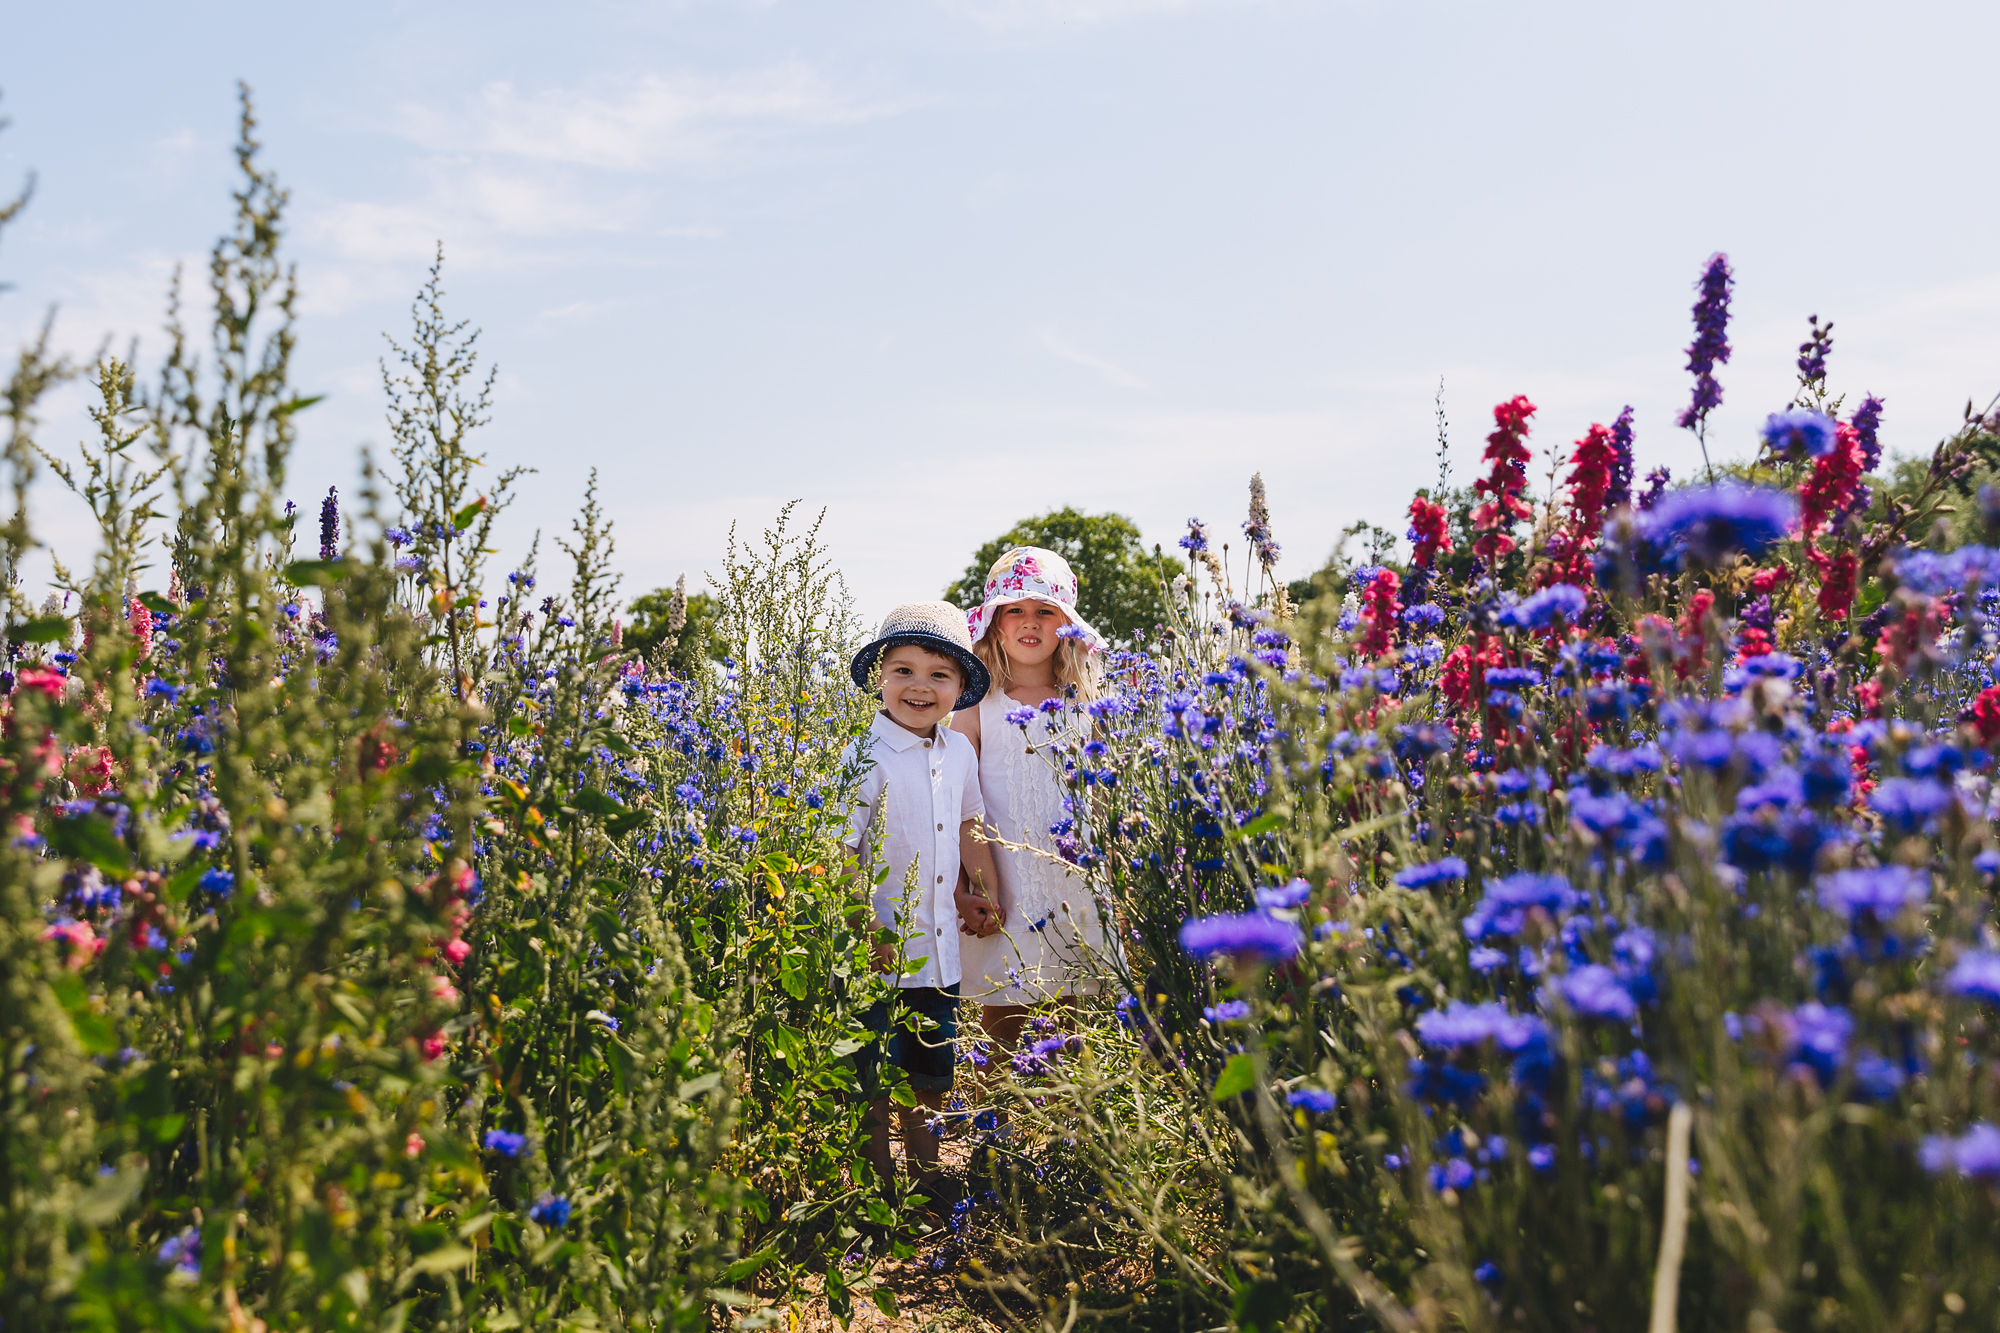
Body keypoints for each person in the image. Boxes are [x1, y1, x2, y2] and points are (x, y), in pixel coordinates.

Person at [841, 601, 1005, 1208]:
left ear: (962, 688)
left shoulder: (958, 752)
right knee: (874, 1076)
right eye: (903, 670)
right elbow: (838, 851)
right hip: (878, 953)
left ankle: (927, 1177)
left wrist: (979, 890)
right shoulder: (864, 755)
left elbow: (969, 825)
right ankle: (876, 1187)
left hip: (938, 950)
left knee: (932, 1073)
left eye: (939, 675)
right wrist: (864, 929)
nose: (919, 686)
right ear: (878, 679)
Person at [951, 548, 1112, 1053]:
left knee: (1069, 1008)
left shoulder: (1084, 704)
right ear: (994, 624)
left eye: (1045, 611)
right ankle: (992, 1122)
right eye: (1015, 610)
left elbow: (1105, 795)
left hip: (1071, 877)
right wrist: (967, 885)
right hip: (1003, 879)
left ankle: (1064, 1124)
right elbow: (959, 801)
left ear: (1066, 624)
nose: (1029, 622)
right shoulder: (978, 705)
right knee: (1002, 1006)